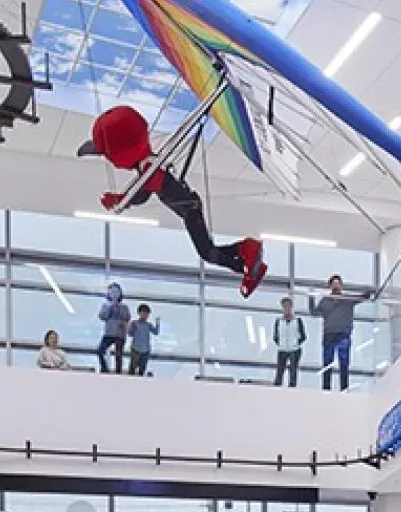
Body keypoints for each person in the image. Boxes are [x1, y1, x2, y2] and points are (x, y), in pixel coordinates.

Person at [77, 105, 266, 295]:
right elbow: (142, 189)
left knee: (207, 253)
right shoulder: (147, 166)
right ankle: (247, 259)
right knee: (208, 251)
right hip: (188, 209)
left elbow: (142, 194)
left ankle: (247, 257)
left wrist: (122, 200)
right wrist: (123, 199)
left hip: (191, 209)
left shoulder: (150, 167)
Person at [308, 274, 368, 390]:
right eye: (334, 284)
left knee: (344, 363)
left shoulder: (347, 300)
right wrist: (311, 297)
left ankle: (344, 388)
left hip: (343, 334)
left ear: (341, 285)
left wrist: (368, 290)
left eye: (338, 283)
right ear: (330, 286)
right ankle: (326, 388)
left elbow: (363, 297)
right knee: (327, 363)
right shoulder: (325, 301)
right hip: (329, 334)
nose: (336, 286)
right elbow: (314, 312)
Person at [96, 283, 130, 373]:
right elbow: (102, 316)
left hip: (120, 334)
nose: (114, 294)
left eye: (116, 292)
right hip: (109, 333)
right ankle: (104, 369)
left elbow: (126, 317)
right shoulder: (106, 305)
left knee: (118, 355)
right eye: (112, 292)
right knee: (100, 350)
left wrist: (118, 306)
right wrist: (111, 305)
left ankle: (118, 372)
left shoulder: (124, 306)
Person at [273, 296, 305, 386]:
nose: (287, 308)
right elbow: (275, 336)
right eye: (285, 306)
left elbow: (303, 336)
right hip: (282, 349)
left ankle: (292, 387)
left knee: (293, 370)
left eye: (288, 306)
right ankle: (277, 387)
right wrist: (281, 343)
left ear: (291, 307)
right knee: (280, 370)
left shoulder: (298, 321)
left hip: (294, 349)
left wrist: (296, 343)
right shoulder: (279, 321)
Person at [128, 303, 159, 376]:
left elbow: (156, 332)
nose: (145, 315)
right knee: (132, 367)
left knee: (142, 368)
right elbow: (130, 333)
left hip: (145, 349)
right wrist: (129, 327)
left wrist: (157, 323)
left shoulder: (148, 325)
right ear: (139, 313)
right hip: (135, 348)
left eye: (147, 313)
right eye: (143, 312)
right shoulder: (134, 323)